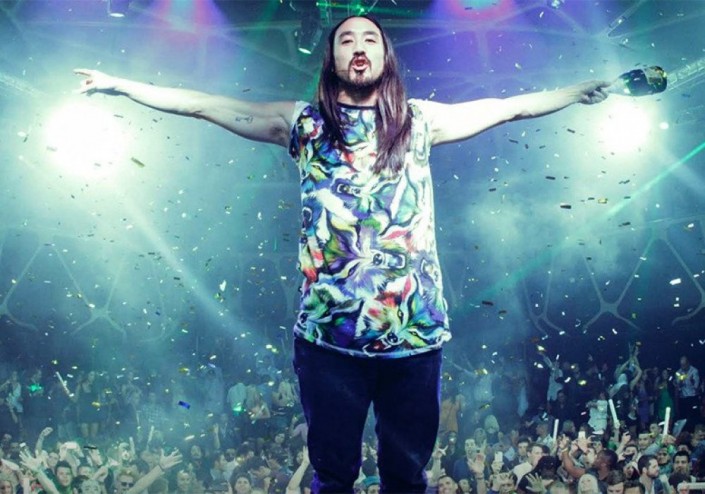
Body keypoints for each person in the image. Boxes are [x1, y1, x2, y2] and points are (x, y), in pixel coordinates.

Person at [74, 14, 610, 493]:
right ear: (331, 59)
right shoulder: (303, 123)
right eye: (346, 39)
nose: (358, 46)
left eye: (370, 39)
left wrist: (574, 91)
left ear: (384, 56)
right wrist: (121, 85)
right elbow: (204, 104)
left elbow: (508, 108)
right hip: (329, 341)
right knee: (333, 478)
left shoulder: (420, 121)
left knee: (407, 478)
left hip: (413, 337)